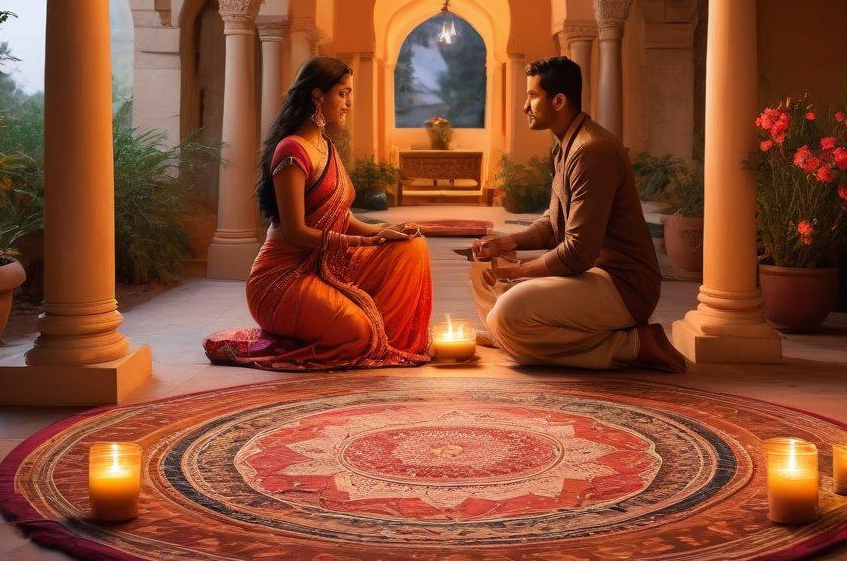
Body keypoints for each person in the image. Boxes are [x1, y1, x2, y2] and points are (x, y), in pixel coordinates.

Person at [204, 56, 432, 372]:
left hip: (325, 266)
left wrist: (381, 231)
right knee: (358, 334)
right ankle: (367, 335)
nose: (348, 103)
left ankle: (388, 340)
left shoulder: (326, 147)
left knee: (410, 247)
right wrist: (362, 243)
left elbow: (341, 216)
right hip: (283, 280)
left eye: (349, 94)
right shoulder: (292, 150)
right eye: (342, 93)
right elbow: (296, 231)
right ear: (317, 95)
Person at [470, 55, 685, 372]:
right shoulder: (565, 145)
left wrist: (515, 271)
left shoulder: (591, 151)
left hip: (621, 285)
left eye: (532, 96)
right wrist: (506, 244)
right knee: (483, 277)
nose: (525, 107)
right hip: (588, 275)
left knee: (507, 311)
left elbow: (577, 253)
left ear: (558, 101)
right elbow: (552, 222)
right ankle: (519, 338)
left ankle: (632, 345)